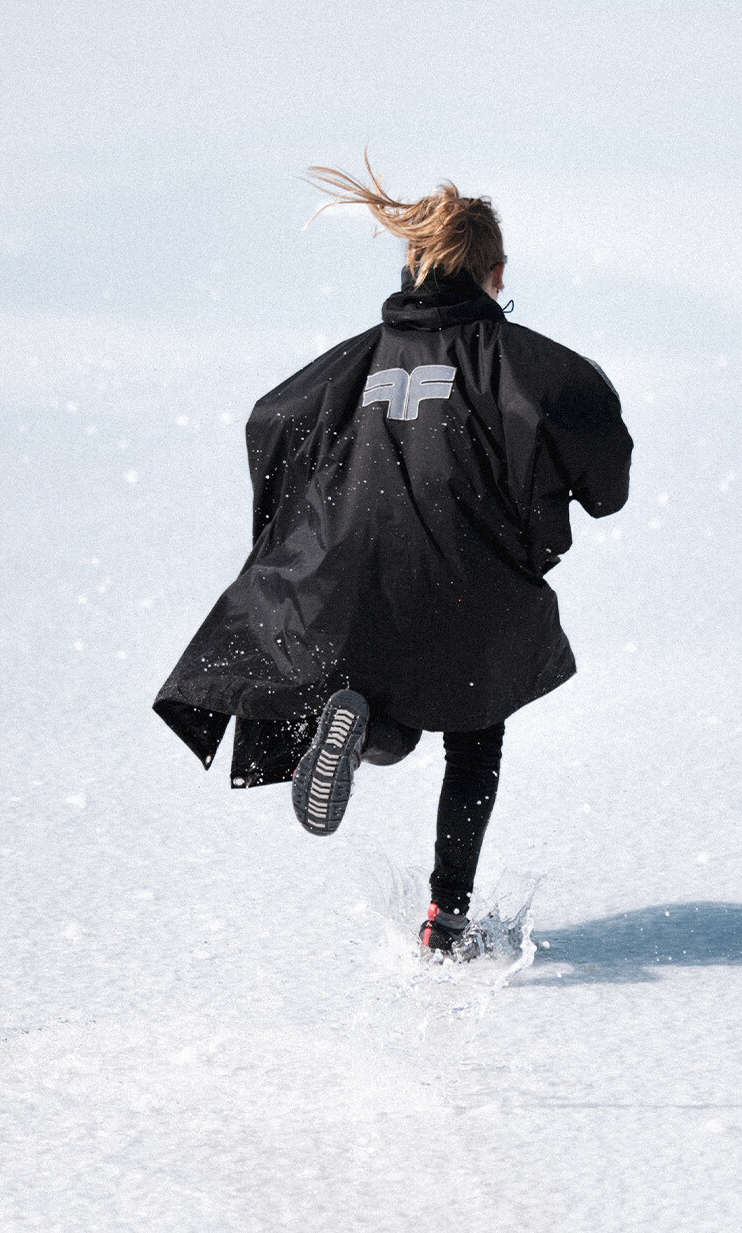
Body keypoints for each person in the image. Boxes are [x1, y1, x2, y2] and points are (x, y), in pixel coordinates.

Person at [153, 158, 633, 960]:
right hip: (471, 587)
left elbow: (271, 420)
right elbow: (605, 482)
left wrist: (293, 531)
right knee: (474, 728)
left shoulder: (347, 366)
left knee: (387, 687)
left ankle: (366, 727)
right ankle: (446, 918)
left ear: (412, 266)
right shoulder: (537, 368)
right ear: (496, 272)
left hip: (351, 583)